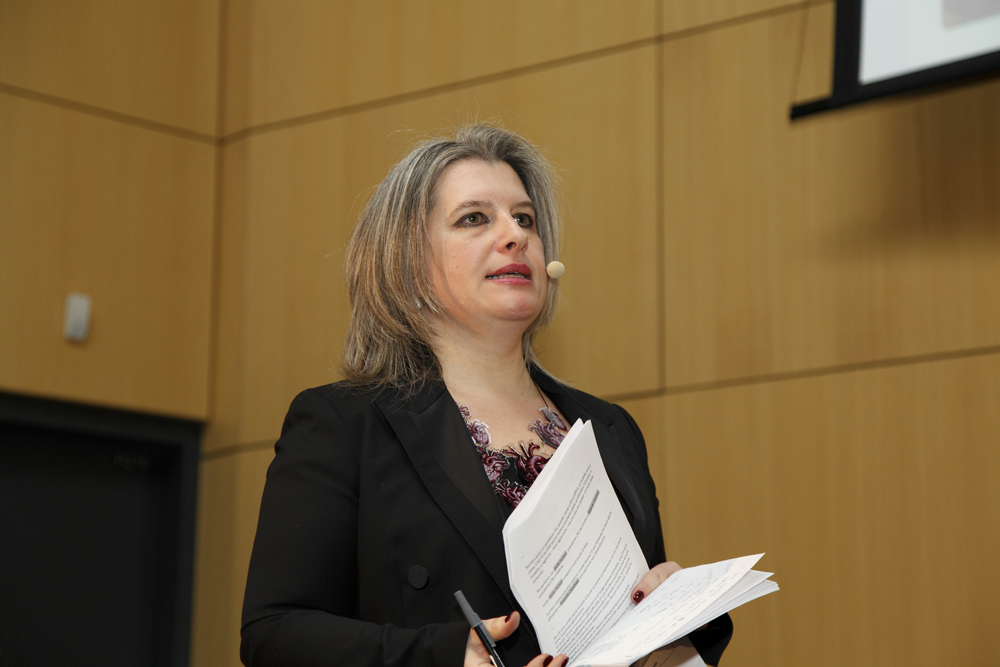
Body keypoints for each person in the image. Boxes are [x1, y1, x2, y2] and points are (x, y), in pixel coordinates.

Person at [239, 125, 733, 667]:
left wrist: (670, 622)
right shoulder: (344, 424)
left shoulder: (610, 428)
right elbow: (275, 634)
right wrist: (450, 656)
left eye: (525, 219)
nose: (515, 235)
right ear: (407, 262)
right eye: (474, 218)